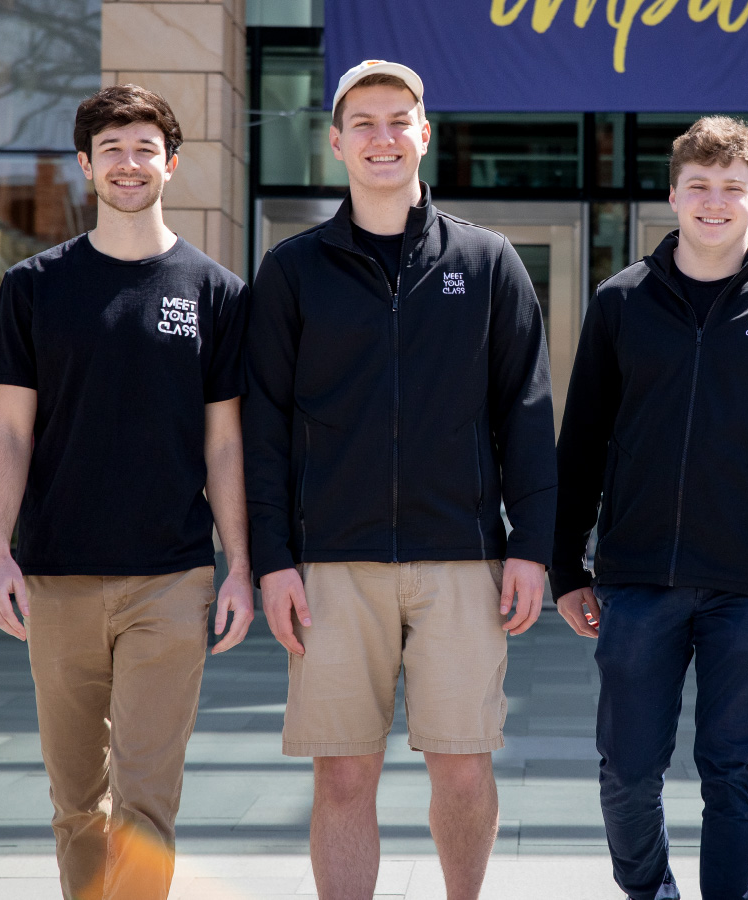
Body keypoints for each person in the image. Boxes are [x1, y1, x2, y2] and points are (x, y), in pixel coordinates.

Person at [241, 60, 556, 900]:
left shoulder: (488, 263)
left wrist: (532, 548)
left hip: (461, 557)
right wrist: (271, 559)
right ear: (336, 142)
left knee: (461, 768)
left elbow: (526, 416)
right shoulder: (293, 269)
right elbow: (261, 430)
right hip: (332, 563)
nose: (383, 138)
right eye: (364, 124)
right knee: (343, 775)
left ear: (426, 135)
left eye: (399, 121)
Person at [551, 116, 748, 900]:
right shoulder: (620, 302)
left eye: (732, 187)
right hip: (637, 578)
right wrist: (565, 565)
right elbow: (582, 444)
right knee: (626, 771)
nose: (713, 201)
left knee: (733, 771)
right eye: (698, 185)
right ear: (672, 195)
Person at [0, 84, 253, 900]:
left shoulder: (215, 292)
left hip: (170, 577)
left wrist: (238, 563)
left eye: (143, 149)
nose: (128, 164)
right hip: (57, 575)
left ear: (171, 163)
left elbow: (226, 442)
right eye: (111, 151)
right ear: (85, 167)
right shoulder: (33, 287)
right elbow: (10, 432)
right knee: (75, 803)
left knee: (144, 798)